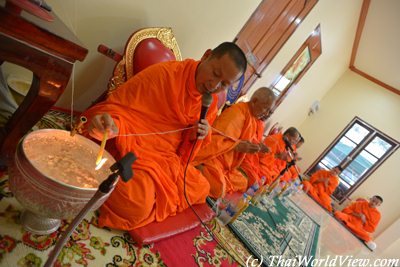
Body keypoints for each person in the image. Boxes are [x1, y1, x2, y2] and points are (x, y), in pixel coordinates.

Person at [82, 42, 247, 230]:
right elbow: (121, 109)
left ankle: (150, 196)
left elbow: (184, 158)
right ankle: (149, 198)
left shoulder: (210, 102)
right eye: (215, 74)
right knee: (136, 202)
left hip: (165, 160)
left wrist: (195, 136)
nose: (214, 85)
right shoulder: (166, 75)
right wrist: (113, 126)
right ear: (206, 55)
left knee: (202, 185)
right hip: (129, 148)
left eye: (224, 84)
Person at [193, 87, 276, 198]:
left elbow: (248, 139)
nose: (266, 114)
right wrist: (237, 146)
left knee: (243, 181)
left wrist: (257, 146)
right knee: (219, 188)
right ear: (255, 101)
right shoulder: (237, 112)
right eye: (266, 109)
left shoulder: (252, 119)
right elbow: (215, 140)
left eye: (269, 111)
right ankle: (199, 168)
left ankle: (218, 179)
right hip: (214, 158)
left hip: (228, 166)